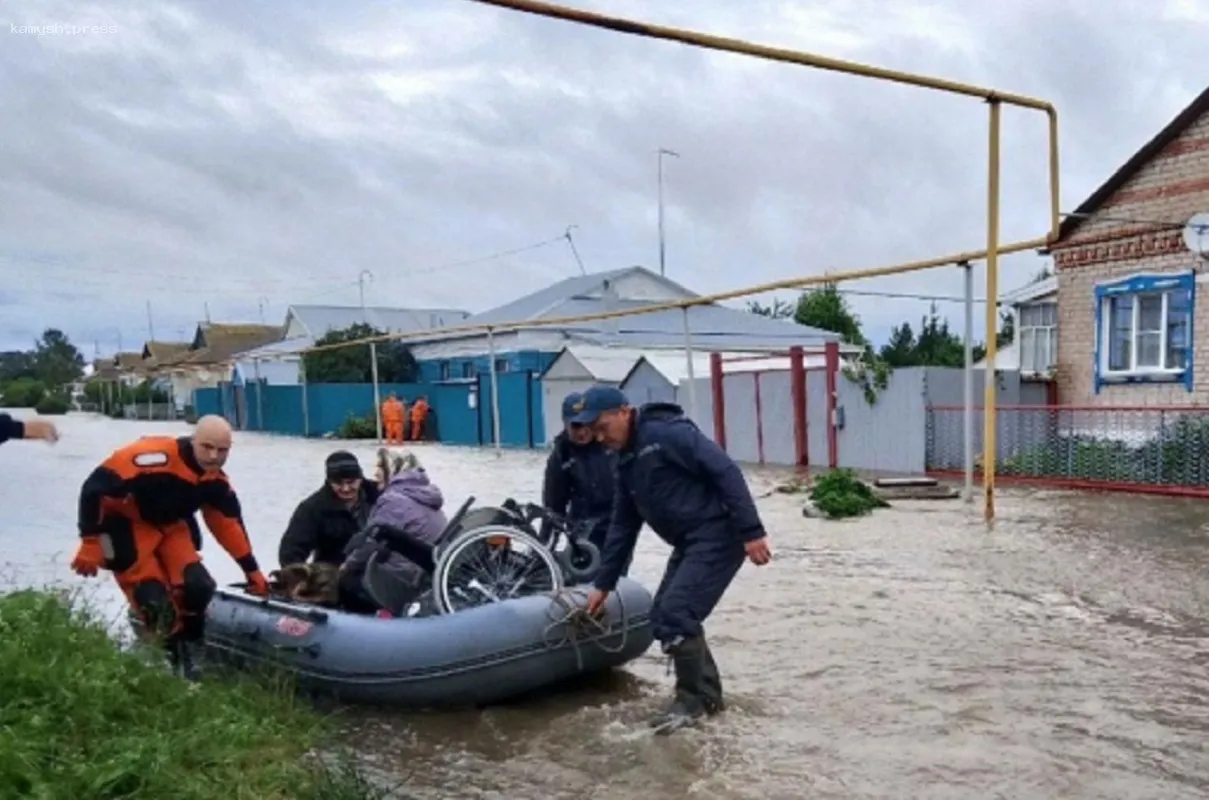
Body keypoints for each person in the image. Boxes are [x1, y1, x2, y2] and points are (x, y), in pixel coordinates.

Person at [574, 386, 773, 734]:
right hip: (689, 541)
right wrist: (603, 585)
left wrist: (752, 532)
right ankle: (707, 699)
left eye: (603, 426)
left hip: (719, 535)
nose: (599, 437)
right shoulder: (626, 459)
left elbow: (725, 471)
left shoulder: (666, 434)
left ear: (624, 411)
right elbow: (623, 524)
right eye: (593, 431)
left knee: (678, 613)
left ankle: (691, 703)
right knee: (664, 614)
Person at [70, 415, 269, 680]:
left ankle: (193, 643)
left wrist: (251, 570)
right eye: (207, 447)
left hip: (170, 526)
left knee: (199, 586)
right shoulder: (150, 458)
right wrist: (90, 540)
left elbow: (228, 526)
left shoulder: (215, 481)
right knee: (154, 602)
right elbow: (93, 489)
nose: (213, 456)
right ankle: (172, 658)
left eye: (222, 450)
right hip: (123, 524)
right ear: (194, 440)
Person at [339, 451, 447, 615]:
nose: (375, 473)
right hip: (427, 572)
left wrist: (346, 566)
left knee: (347, 581)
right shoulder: (424, 494)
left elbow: (371, 541)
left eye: (381, 467)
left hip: (407, 577)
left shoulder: (393, 500)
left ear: (394, 469)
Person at [542, 391, 620, 574]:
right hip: (583, 531)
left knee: (615, 576)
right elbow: (553, 507)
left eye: (587, 424)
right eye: (576, 426)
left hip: (617, 525)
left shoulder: (611, 443)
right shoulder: (561, 456)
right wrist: (543, 546)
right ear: (565, 424)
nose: (583, 431)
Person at [278, 450, 382, 568]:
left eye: (351, 482)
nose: (346, 488)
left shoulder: (380, 496)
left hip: (379, 572)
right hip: (334, 576)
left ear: (360, 478)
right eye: (338, 483)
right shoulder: (313, 508)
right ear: (329, 481)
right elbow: (290, 553)